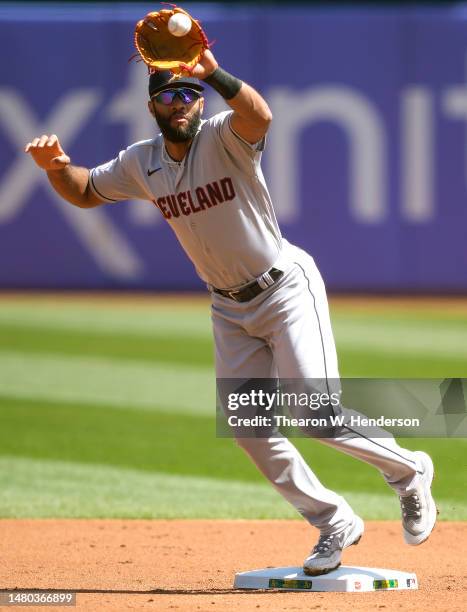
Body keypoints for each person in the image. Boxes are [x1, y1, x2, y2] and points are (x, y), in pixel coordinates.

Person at [25, 49, 437, 576]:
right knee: (250, 430)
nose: (183, 105)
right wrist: (56, 165)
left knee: (316, 415)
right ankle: (333, 520)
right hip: (227, 307)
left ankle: (409, 472)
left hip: (285, 288)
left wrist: (211, 74)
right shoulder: (141, 161)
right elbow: (84, 190)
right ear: (152, 105)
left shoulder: (224, 136)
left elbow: (260, 117)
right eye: (171, 96)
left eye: (190, 95)